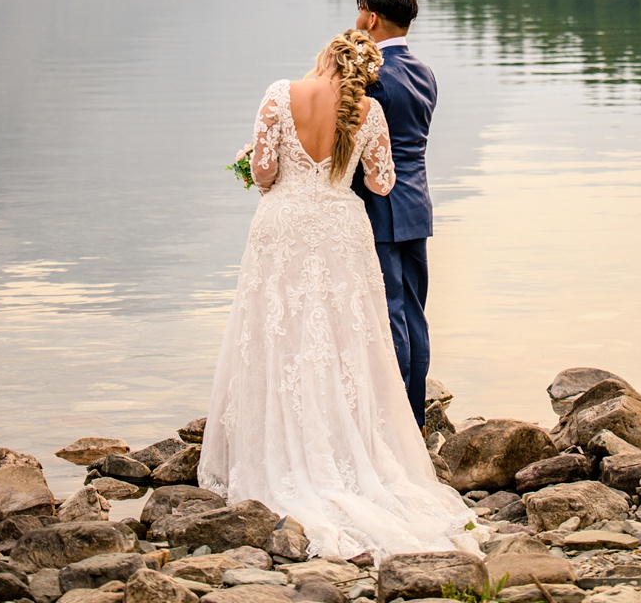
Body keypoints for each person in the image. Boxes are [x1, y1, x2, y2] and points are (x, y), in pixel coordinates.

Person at [197, 28, 475, 562]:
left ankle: (276, 446)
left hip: (282, 227)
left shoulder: (281, 93)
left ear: (325, 57)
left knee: (280, 334)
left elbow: (262, 172)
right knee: (344, 340)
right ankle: (349, 448)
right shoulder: (370, 111)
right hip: (341, 231)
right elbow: (383, 184)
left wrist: (272, 168)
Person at [351, 0, 435, 430]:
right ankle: (415, 415)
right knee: (414, 313)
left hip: (379, 205)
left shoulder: (371, 76)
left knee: (391, 313)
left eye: (359, 12)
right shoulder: (424, 72)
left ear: (372, 17)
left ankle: (397, 422)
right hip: (416, 204)